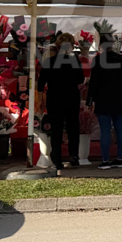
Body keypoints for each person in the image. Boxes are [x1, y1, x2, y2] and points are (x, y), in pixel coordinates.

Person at [37, 32, 85, 175]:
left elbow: (41, 84)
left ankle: (57, 159)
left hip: (54, 98)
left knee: (56, 130)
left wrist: (40, 100)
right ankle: (73, 156)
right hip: (71, 97)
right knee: (72, 127)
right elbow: (80, 80)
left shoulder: (49, 61)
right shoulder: (74, 60)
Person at [87, 33, 122, 170]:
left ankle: (105, 160)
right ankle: (120, 159)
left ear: (101, 45)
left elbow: (93, 83)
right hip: (119, 96)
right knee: (120, 129)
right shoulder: (121, 58)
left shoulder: (98, 60)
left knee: (105, 130)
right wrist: (119, 85)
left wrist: (90, 100)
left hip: (103, 98)